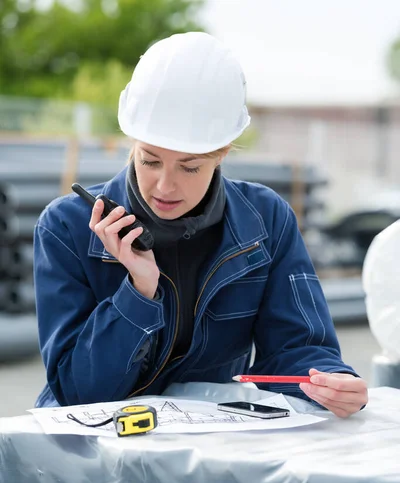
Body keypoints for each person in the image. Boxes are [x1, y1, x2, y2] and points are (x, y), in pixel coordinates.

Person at [33, 31, 367, 417]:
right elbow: (79, 393)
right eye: (150, 160)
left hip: (209, 448)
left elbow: (297, 348)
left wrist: (331, 381)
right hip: (91, 454)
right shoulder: (67, 228)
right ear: (132, 143)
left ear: (222, 153)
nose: (165, 185)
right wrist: (139, 293)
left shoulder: (266, 221)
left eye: (190, 166)